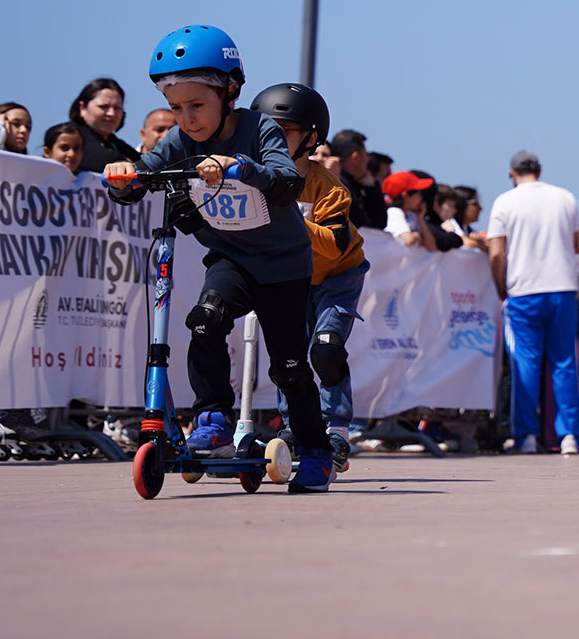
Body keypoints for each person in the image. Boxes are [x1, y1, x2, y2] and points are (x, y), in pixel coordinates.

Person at [103, 25, 332, 492]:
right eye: (176, 108)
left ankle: (316, 449)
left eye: (196, 106)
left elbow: (287, 181)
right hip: (232, 259)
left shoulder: (257, 127)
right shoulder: (180, 142)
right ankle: (212, 418)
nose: (186, 119)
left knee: (288, 366)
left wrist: (241, 168)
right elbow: (145, 175)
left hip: (284, 265)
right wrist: (122, 177)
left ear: (230, 92)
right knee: (204, 320)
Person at [251, 83, 370, 477]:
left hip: (338, 275)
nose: (274, 139)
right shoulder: (256, 180)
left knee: (326, 349)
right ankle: (295, 424)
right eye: (267, 129)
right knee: (289, 354)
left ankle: (336, 427)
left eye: (285, 131)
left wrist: (294, 223)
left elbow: (335, 247)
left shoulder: (328, 188)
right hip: (292, 275)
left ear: (311, 138)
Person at [487, 149, 579, 456]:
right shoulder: (565, 197)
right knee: (564, 363)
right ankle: (569, 436)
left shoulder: (505, 202)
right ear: (539, 171)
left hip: (523, 290)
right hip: (562, 288)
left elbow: (496, 253)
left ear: (512, 173)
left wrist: (500, 287)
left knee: (524, 365)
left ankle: (526, 436)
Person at [69, 78, 139, 173]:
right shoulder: (67, 137)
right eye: (104, 107)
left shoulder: (122, 147)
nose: (111, 113)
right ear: (82, 108)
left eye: (117, 108)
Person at [330, 129, 387, 229]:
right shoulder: (335, 185)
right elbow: (360, 223)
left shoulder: (360, 183)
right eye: (365, 154)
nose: (367, 159)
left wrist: (371, 188)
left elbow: (380, 223)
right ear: (355, 158)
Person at [382, 170, 438, 249]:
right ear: (405, 195)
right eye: (419, 194)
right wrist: (416, 235)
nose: (422, 198)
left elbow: (431, 247)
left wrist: (421, 219)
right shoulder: (394, 212)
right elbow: (409, 240)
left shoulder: (412, 215)